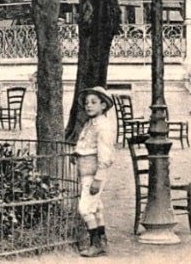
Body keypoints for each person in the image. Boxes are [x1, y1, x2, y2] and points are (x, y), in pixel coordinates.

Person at [73, 86, 117, 258]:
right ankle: (102, 239)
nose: (89, 106)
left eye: (93, 102)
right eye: (86, 103)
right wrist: (77, 153)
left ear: (103, 105)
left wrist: (98, 179)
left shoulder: (103, 126)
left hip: (94, 174)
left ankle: (95, 244)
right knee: (96, 207)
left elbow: (105, 154)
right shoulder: (90, 123)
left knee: (85, 209)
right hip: (86, 171)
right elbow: (87, 146)